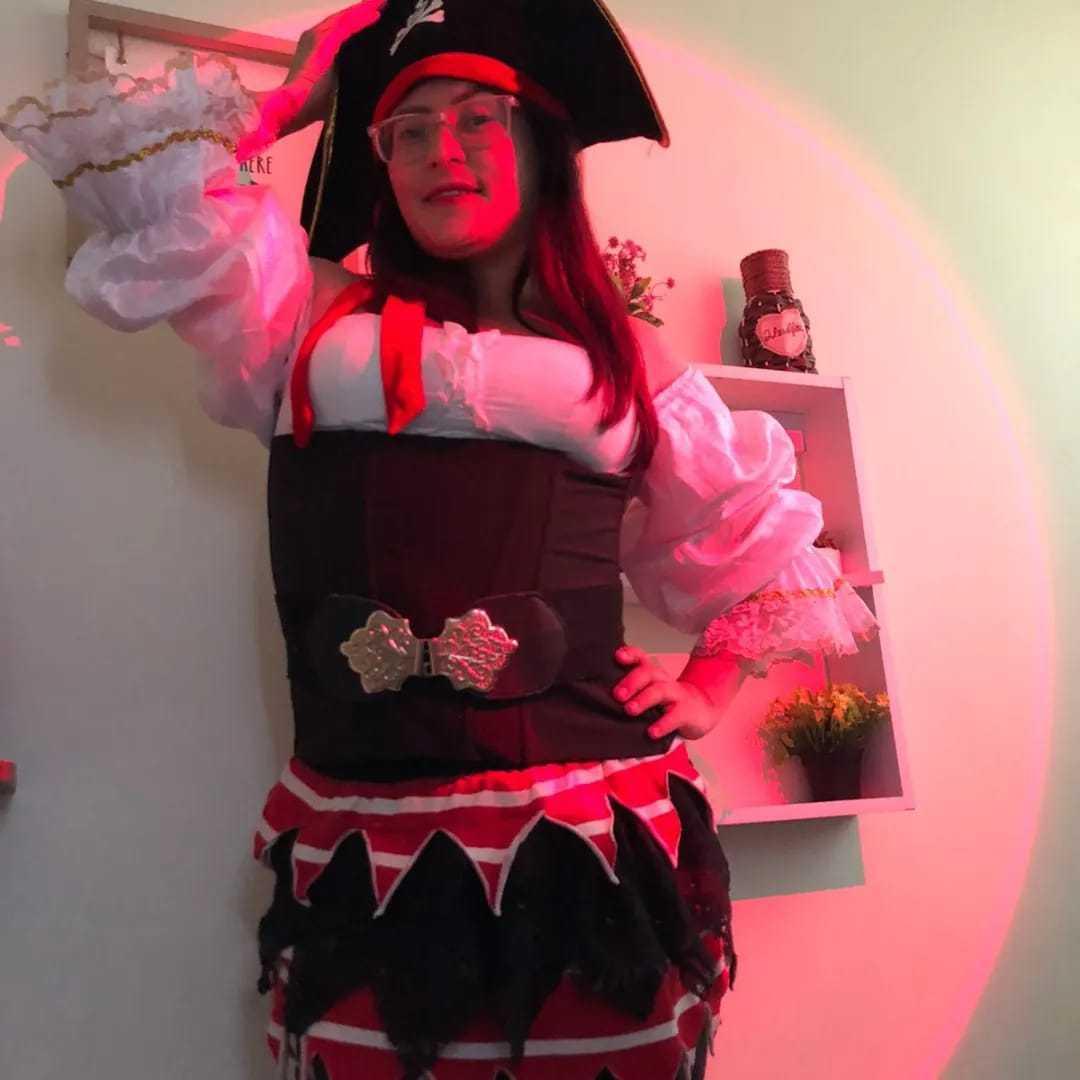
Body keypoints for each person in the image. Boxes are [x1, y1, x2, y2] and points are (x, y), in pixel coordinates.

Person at [1, 1, 879, 1077]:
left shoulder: (619, 356)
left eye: (475, 119)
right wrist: (297, 95)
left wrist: (709, 684)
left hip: (591, 841)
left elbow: (756, 532)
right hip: (365, 848)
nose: (438, 151)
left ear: (540, 145)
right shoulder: (303, 311)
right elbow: (130, 185)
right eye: (406, 129)